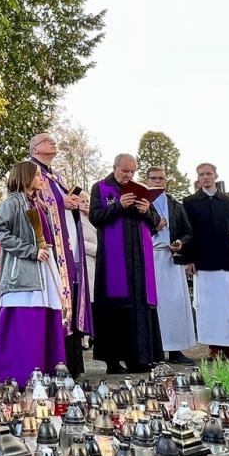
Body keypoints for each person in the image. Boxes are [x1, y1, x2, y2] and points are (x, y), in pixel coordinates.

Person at [0, 160, 68, 386]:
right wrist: (31, 251)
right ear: (25, 177)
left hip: (43, 271)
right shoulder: (12, 203)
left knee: (44, 321)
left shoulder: (39, 203)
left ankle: (45, 371)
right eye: (37, 175)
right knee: (24, 325)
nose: (41, 179)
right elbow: (0, 234)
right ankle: (19, 373)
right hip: (22, 275)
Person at [88, 154, 163, 374]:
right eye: (125, 171)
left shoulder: (140, 190)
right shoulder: (100, 188)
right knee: (114, 308)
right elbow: (95, 217)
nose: (129, 175)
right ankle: (113, 361)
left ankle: (140, 359)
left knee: (140, 307)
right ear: (115, 167)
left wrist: (146, 211)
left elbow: (156, 223)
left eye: (132, 171)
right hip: (113, 260)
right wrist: (119, 206)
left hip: (140, 260)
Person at [27, 133, 92, 377]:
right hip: (50, 250)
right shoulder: (30, 171)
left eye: (53, 140)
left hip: (69, 246)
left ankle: (73, 363)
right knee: (57, 303)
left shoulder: (57, 175)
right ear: (35, 149)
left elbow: (62, 202)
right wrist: (60, 202)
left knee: (71, 302)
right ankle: (55, 362)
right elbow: (31, 203)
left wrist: (74, 203)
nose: (53, 142)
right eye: (47, 140)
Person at [179, 162, 229, 361]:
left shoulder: (228, 201)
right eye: (201, 175)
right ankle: (214, 347)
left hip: (226, 260)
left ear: (215, 175)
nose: (205, 178)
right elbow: (187, 231)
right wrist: (188, 259)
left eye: (208, 174)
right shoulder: (190, 202)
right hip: (203, 260)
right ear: (198, 178)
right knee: (209, 307)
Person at [143, 165, 196, 365]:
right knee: (155, 306)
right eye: (153, 178)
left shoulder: (175, 205)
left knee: (175, 304)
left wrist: (181, 242)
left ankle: (175, 349)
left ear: (166, 181)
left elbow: (188, 231)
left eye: (161, 178)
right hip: (150, 258)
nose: (157, 181)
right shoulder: (142, 204)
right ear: (147, 180)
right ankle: (154, 351)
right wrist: (154, 228)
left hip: (172, 258)